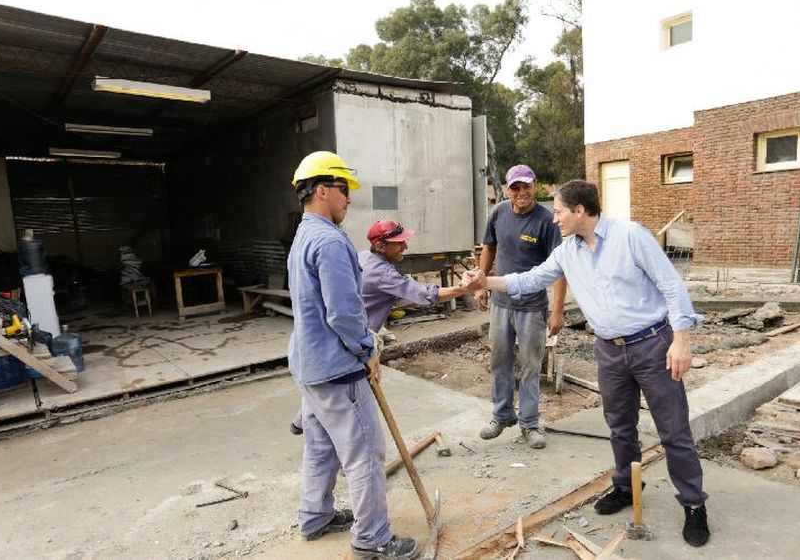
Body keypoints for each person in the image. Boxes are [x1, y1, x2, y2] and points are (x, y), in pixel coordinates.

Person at [462, 179, 711, 547]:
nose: (555, 217)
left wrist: (681, 339)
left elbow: (672, 285)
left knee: (673, 429)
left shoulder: (630, 236)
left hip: (652, 345)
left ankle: (693, 505)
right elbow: (530, 279)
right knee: (619, 425)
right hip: (609, 349)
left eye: (559, 210)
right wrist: (487, 280)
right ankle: (626, 487)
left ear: (580, 211)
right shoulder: (568, 251)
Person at [287, 151, 418, 560]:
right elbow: (342, 312)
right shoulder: (327, 240)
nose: (349, 199)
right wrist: (367, 349)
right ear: (322, 190)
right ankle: (373, 538)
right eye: (344, 190)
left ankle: (315, 516)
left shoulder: (304, 234)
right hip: (337, 367)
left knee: (321, 448)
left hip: (309, 367)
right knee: (364, 453)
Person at [290, 219, 477, 435]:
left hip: (331, 339)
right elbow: (425, 295)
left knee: (323, 390)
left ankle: (301, 422)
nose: (405, 247)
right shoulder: (383, 274)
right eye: (398, 243)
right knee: (352, 402)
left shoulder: (363, 257)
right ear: (380, 246)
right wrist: (464, 289)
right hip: (354, 343)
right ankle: (343, 448)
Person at [474, 164, 567, 449]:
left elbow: (560, 268)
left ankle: (529, 423)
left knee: (529, 366)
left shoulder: (546, 221)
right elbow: (489, 247)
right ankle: (502, 416)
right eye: (515, 187)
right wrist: (482, 284)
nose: (521, 192)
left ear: (535, 185)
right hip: (501, 305)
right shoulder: (499, 212)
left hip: (531, 307)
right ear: (508, 189)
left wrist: (557, 311)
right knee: (499, 362)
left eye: (526, 186)